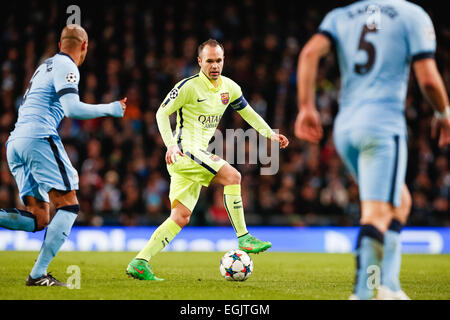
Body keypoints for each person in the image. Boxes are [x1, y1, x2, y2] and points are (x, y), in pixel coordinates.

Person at [294, 0, 450, 300]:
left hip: (346, 127)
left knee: (400, 201)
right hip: (381, 126)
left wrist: (306, 107)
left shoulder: (340, 15)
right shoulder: (411, 15)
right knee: (376, 214)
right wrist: (443, 113)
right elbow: (428, 78)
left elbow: (310, 53)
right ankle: (364, 293)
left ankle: (389, 286)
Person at [126, 39, 289, 280]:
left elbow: (249, 113)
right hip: (184, 151)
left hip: (194, 155)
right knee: (233, 176)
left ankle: (140, 262)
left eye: (219, 60)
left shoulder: (229, 88)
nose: (215, 65)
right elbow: (161, 112)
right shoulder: (188, 87)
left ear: (224, 61)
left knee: (180, 217)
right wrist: (170, 144)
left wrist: (269, 134)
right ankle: (244, 237)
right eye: (210, 60)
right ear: (200, 61)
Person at [0, 24, 127, 286]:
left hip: (16, 142)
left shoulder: (44, 66)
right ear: (84, 47)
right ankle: (37, 275)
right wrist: (111, 108)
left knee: (39, 218)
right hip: (38, 137)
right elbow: (71, 109)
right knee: (69, 204)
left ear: (60, 44)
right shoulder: (68, 66)